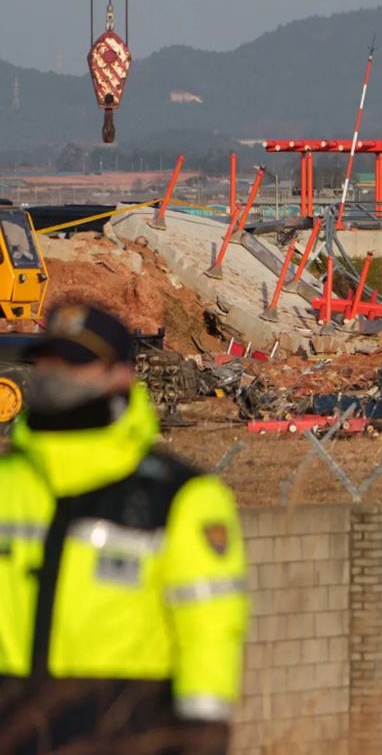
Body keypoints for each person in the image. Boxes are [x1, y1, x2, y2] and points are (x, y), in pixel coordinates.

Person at [0, 304, 248, 755]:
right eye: (49, 361)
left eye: (76, 362)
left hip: (122, 733)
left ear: (122, 376)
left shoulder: (179, 499)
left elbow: (209, 631)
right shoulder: (6, 483)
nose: (58, 374)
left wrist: (201, 734)